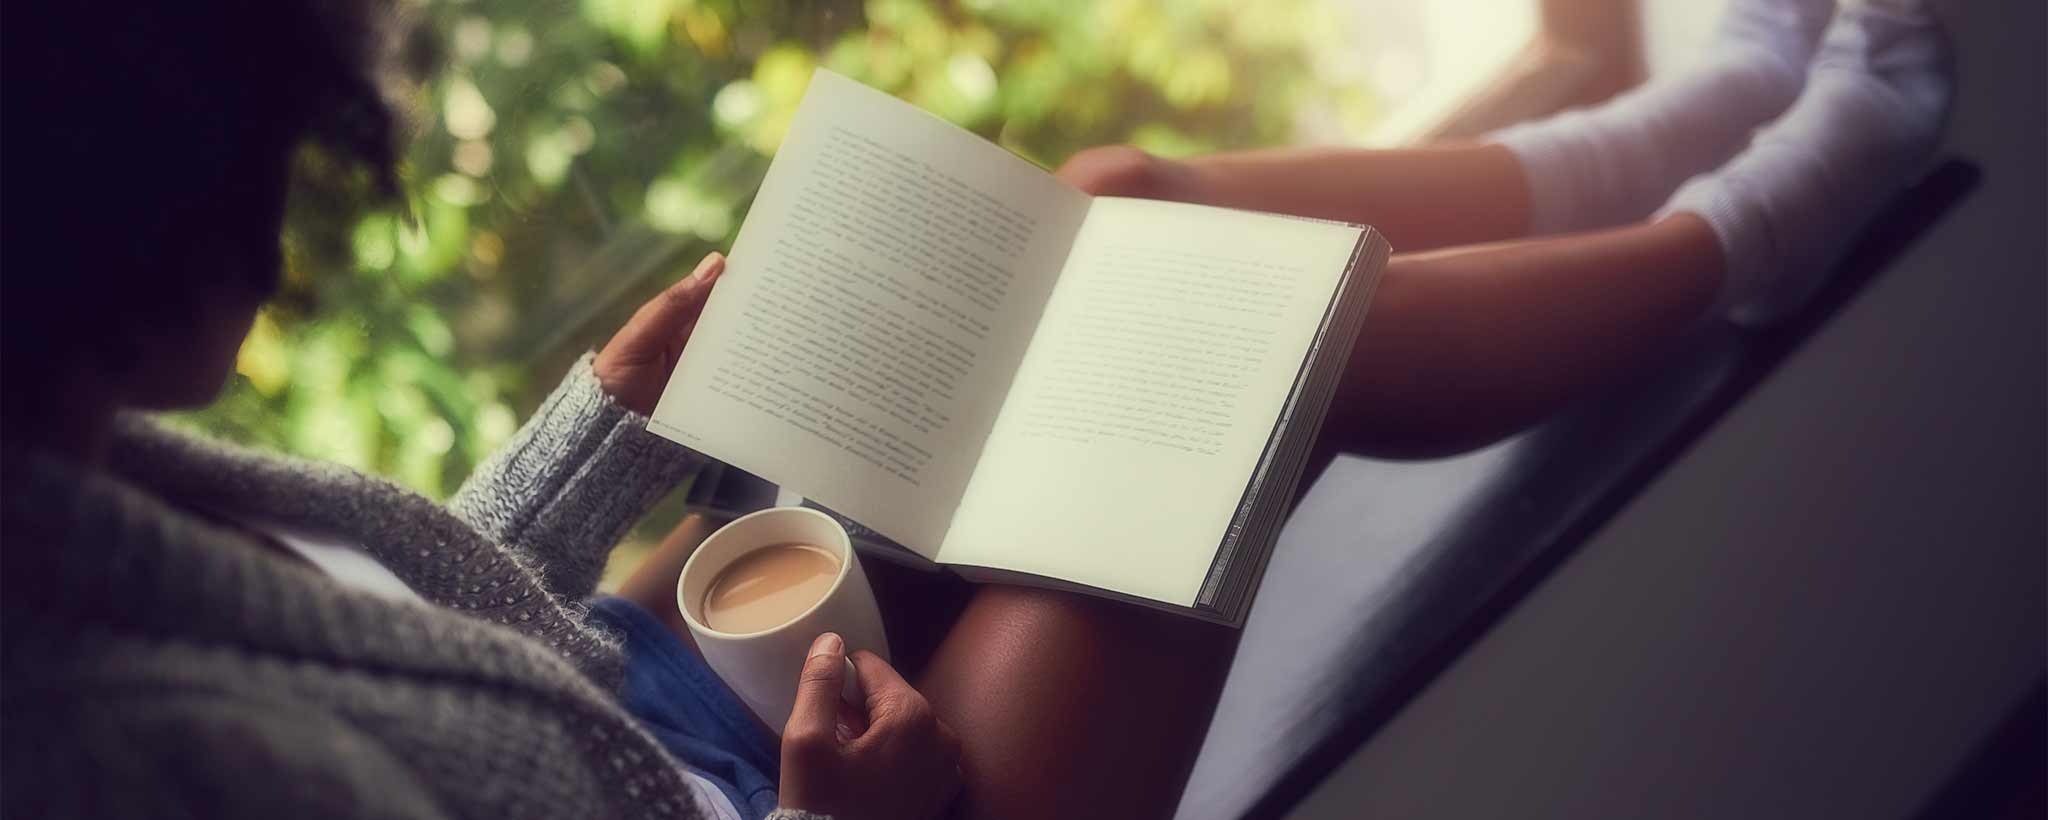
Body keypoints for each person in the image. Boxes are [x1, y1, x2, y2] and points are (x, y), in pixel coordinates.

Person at [0, 0, 1953, 818]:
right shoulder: (121, 751)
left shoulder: (69, 473)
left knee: (1098, 202)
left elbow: (393, 615)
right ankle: (1777, 212)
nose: (278, 236)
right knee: (1232, 343)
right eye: (264, 176)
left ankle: (1664, 128)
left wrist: (615, 408)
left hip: (664, 699)